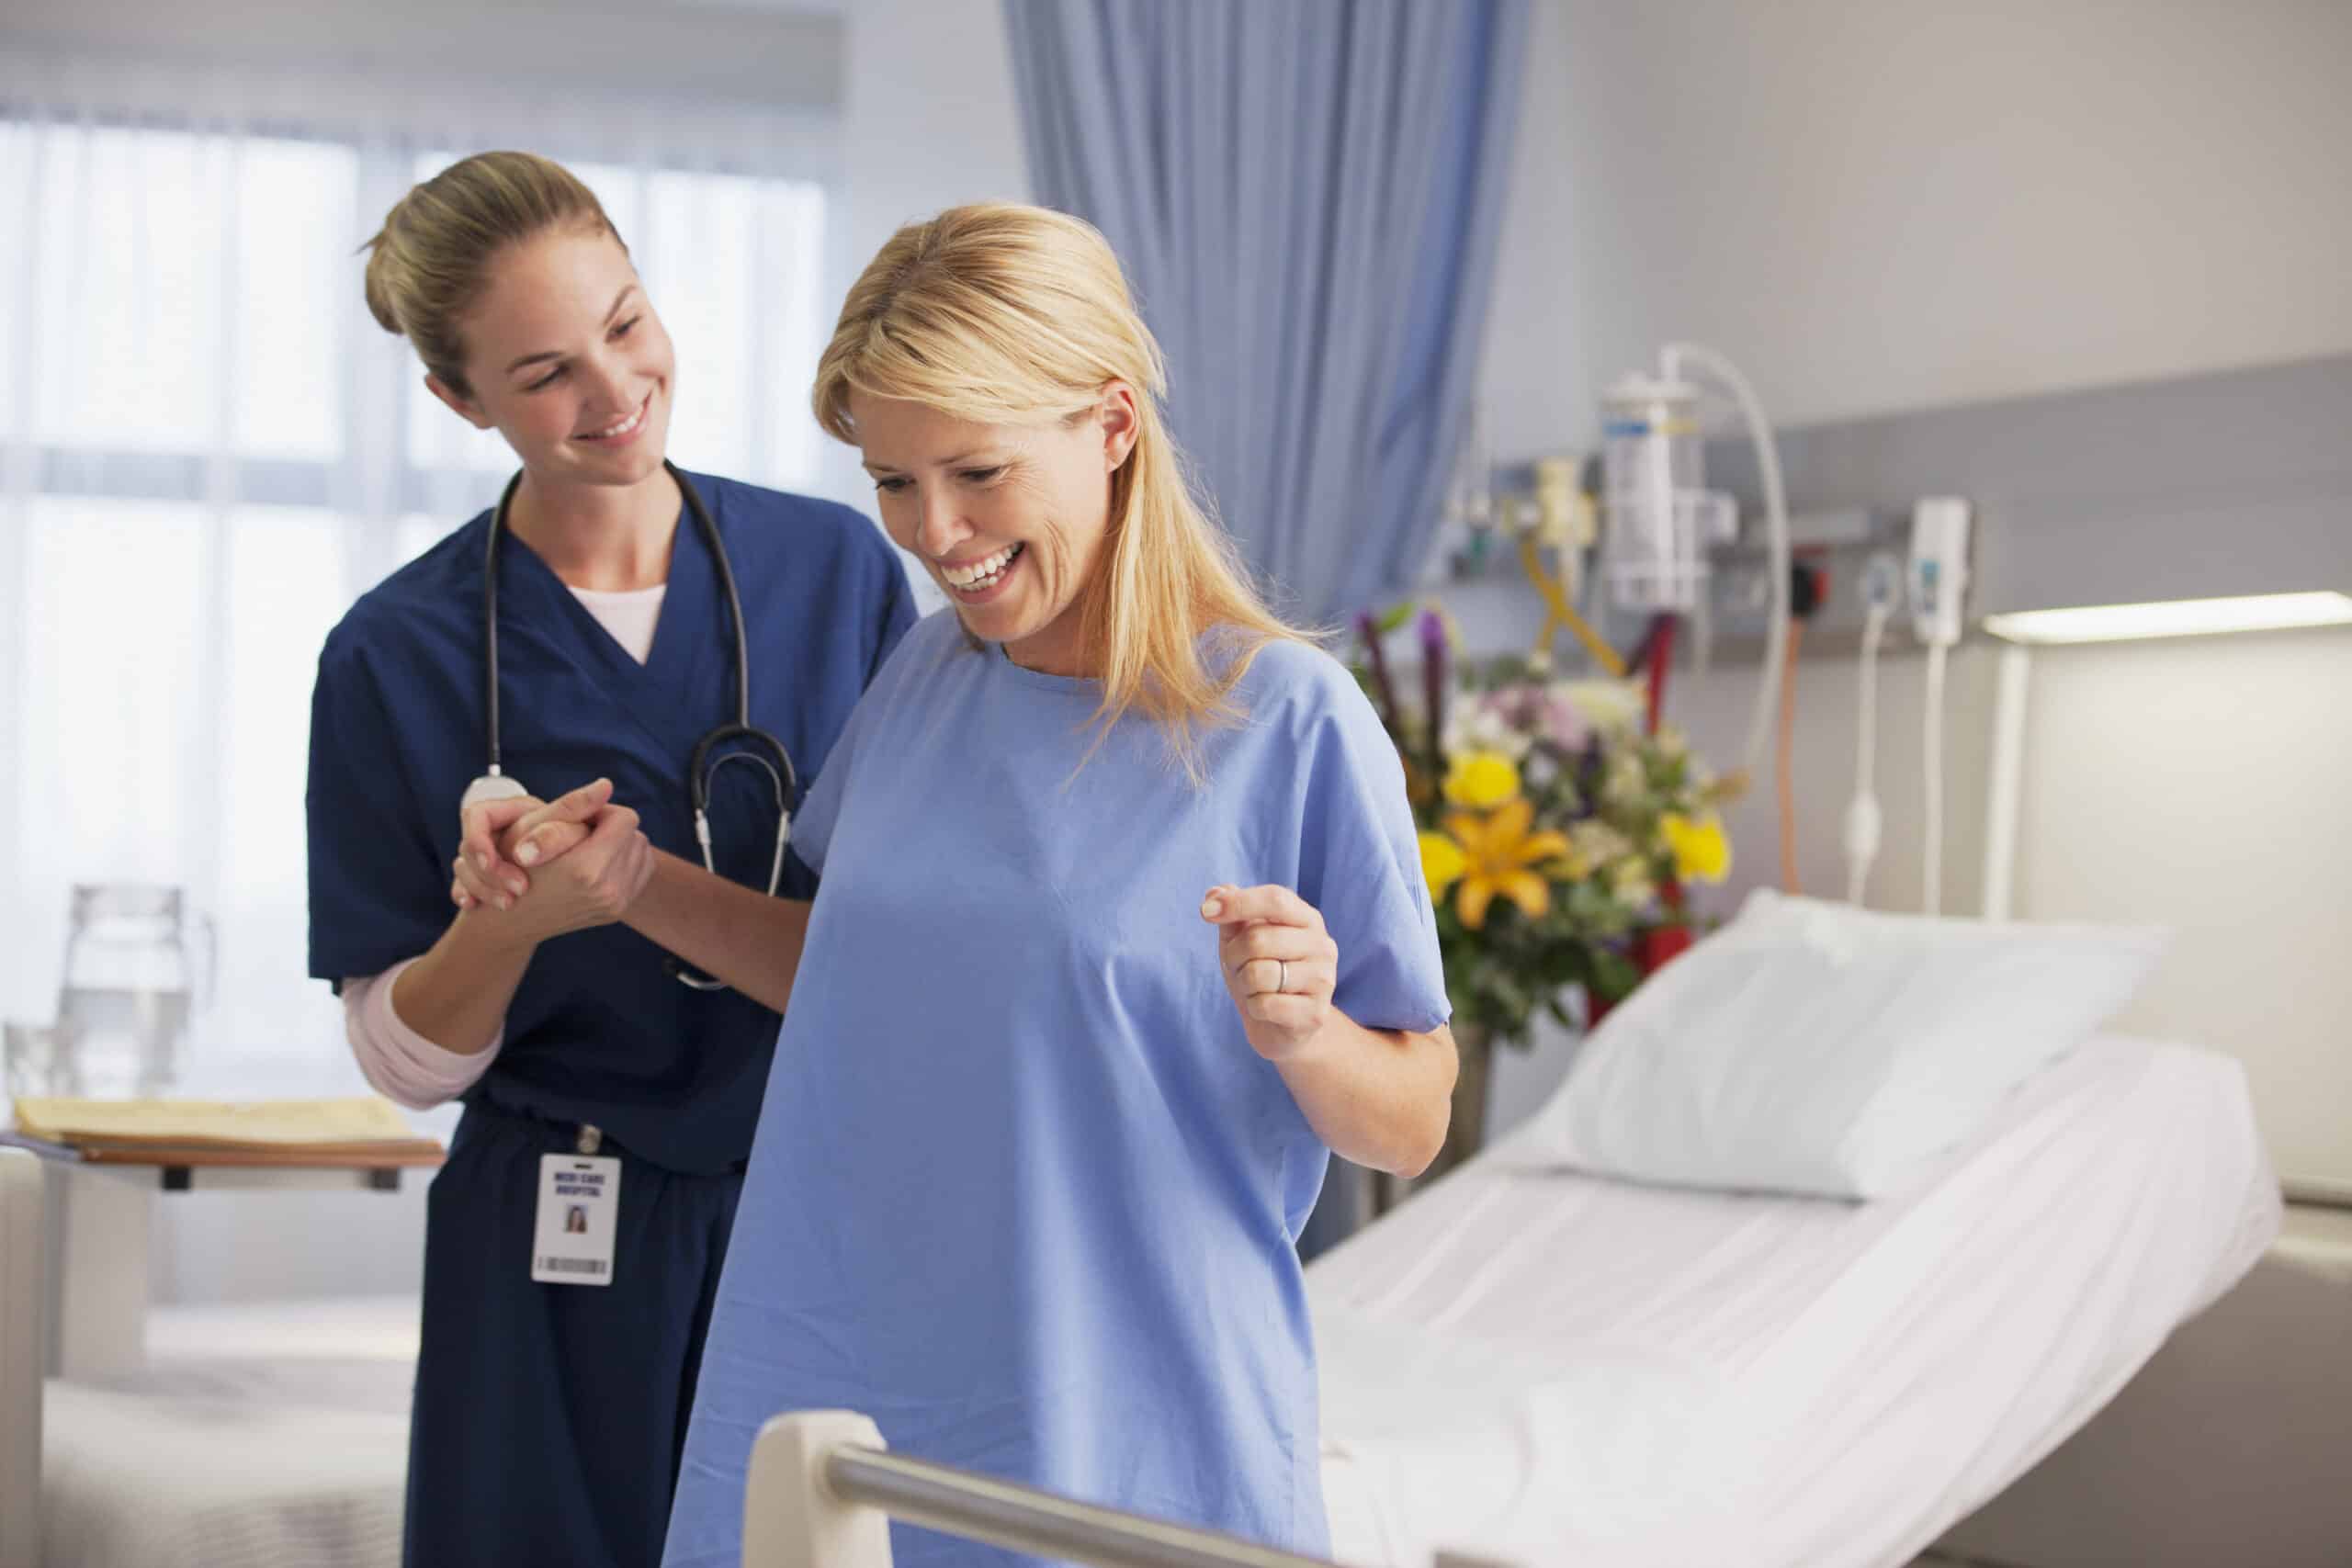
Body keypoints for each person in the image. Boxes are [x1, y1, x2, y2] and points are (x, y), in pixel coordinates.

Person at [643, 202, 1458, 1566]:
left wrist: (1305, 1032)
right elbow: (851, 979)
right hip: (839, 1381)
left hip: (1121, 1424)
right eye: (893, 482)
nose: (935, 533)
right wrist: (633, 883)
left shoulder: (1287, 722)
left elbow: (1415, 1120)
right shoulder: (923, 681)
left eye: (976, 472)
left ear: (1114, 425)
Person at [304, 150, 914, 1567]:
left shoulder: (837, 572)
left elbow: (901, 947)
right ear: (461, 401)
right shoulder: (397, 654)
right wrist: (508, 923)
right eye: (546, 374)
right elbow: (403, 1060)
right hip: (546, 1231)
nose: (614, 391)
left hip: (806, 1212)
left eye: (626, 324)